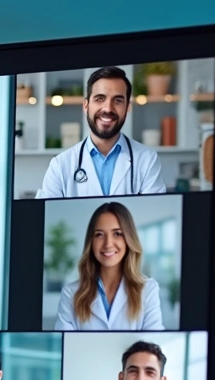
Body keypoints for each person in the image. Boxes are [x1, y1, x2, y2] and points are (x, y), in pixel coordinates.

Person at [35, 67, 165, 198]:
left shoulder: (147, 160)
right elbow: (44, 216)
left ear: (127, 107)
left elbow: (158, 212)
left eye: (118, 100)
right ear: (86, 105)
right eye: (100, 99)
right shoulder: (60, 165)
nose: (108, 108)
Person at [54, 201, 164, 331]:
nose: (108, 244)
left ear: (129, 239)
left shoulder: (148, 290)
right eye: (99, 235)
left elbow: (151, 344)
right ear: (91, 242)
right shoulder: (70, 294)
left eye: (117, 233)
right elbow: (65, 343)